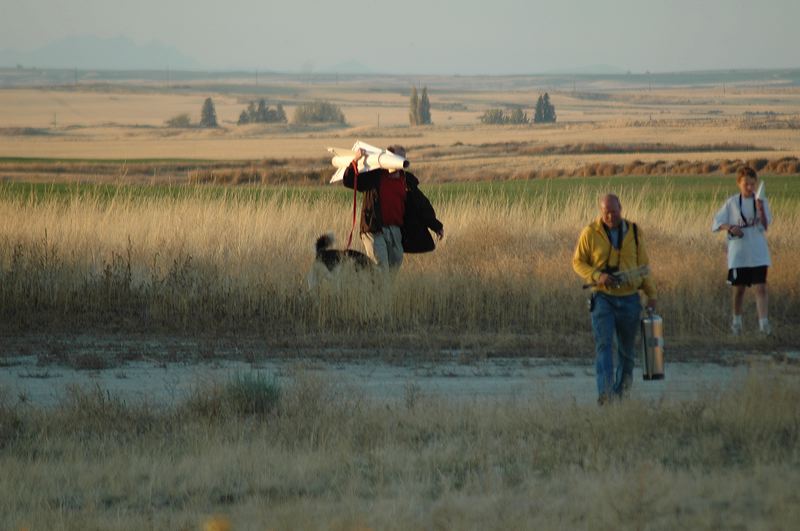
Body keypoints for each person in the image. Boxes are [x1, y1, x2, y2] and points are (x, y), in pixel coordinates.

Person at [573, 194, 657, 405]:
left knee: (627, 353)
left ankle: (621, 395)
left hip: (630, 300)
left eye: (614, 211)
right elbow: (577, 262)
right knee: (604, 347)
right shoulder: (590, 233)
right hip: (602, 299)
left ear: (621, 208)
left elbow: (644, 267)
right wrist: (597, 276)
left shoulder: (635, 232)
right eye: (606, 212)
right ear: (601, 212)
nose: (610, 215)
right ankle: (606, 395)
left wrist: (651, 294)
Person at [342, 145, 444, 268]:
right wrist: (355, 160)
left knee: (395, 263)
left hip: (395, 229)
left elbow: (421, 205)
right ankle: (381, 286)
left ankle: (384, 287)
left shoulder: (406, 180)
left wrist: (436, 226)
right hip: (374, 228)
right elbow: (349, 181)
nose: (401, 161)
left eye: (403, 158)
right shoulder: (374, 176)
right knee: (380, 266)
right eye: (398, 157)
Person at [712, 166, 772, 336]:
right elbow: (716, 223)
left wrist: (760, 209)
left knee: (761, 288)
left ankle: (764, 325)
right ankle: (736, 323)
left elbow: (766, 225)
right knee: (739, 290)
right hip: (739, 254)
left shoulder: (761, 201)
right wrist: (730, 227)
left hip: (758, 253)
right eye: (746, 184)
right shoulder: (731, 203)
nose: (750, 188)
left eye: (753, 184)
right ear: (739, 183)